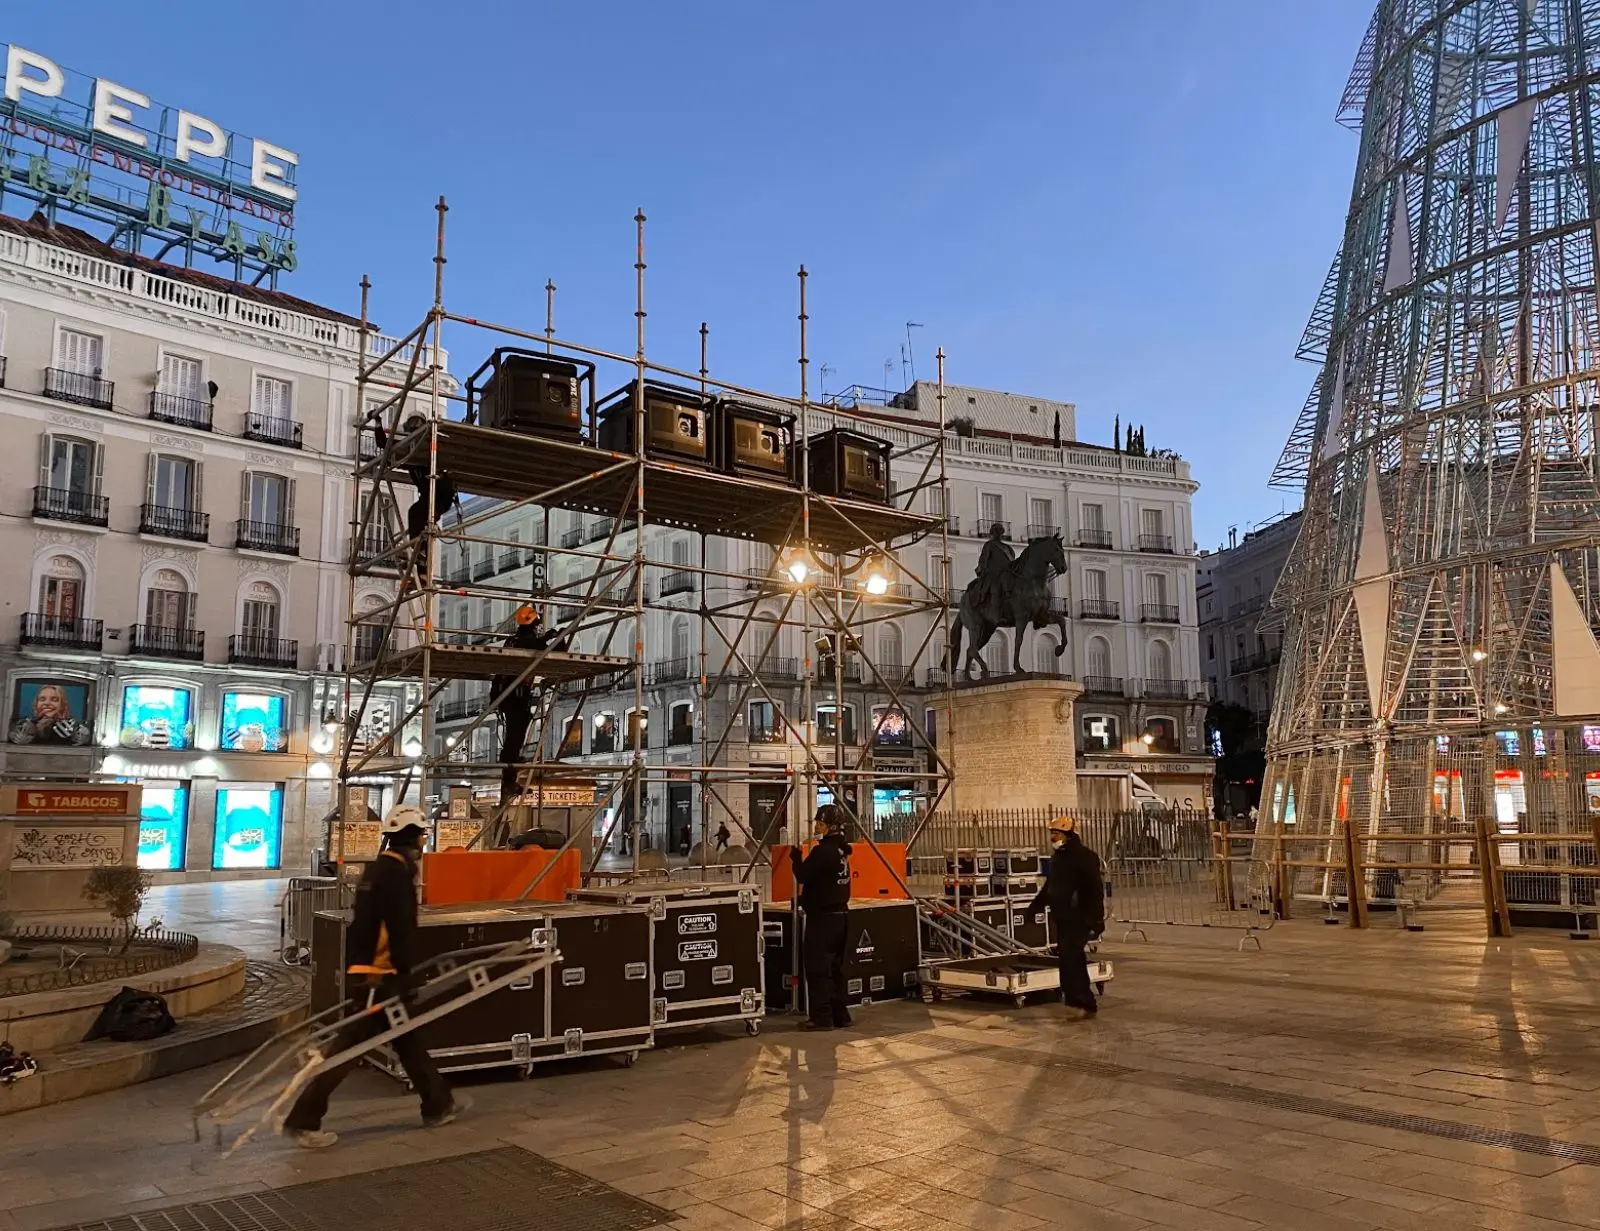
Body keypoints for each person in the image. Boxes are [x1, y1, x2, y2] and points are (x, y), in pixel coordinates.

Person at [281, 805, 465, 1148]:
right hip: (378, 978)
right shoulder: (396, 874)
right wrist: (403, 974)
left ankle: (438, 1104)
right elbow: (397, 930)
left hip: (371, 973)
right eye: (423, 835)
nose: (424, 841)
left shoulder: (379, 868)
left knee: (406, 1038)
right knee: (350, 1047)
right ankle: (303, 1119)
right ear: (414, 838)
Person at [1027, 816, 1105, 1016]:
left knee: (1071, 958)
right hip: (1063, 917)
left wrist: (1096, 920)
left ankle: (1084, 1002)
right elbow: (1050, 886)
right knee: (1068, 959)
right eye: (1051, 833)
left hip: (1079, 917)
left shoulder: (1084, 857)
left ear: (1068, 835)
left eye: (1056, 833)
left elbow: (1095, 890)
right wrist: (1035, 906)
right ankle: (1075, 1001)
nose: (1052, 837)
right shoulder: (1059, 857)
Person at [792, 804, 853, 1031]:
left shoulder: (823, 851)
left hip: (823, 919)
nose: (816, 826)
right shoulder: (841, 851)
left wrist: (796, 859)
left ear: (830, 827)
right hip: (841, 917)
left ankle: (822, 1018)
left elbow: (803, 875)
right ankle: (840, 1014)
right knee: (836, 969)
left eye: (820, 823)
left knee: (818, 969)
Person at [492, 607, 562, 803]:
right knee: (514, 739)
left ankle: (509, 777)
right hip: (515, 695)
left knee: (512, 741)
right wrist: (550, 637)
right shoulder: (526, 641)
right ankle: (509, 779)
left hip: (505, 695)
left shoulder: (512, 640)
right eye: (537, 624)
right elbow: (537, 649)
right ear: (533, 623)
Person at [970, 522, 1015, 625]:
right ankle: (996, 614)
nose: (997, 534)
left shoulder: (1008, 548)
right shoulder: (990, 545)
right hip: (993, 575)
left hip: (1006, 575)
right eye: (996, 532)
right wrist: (983, 570)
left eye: (999, 532)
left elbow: (1012, 562)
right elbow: (984, 560)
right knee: (995, 590)